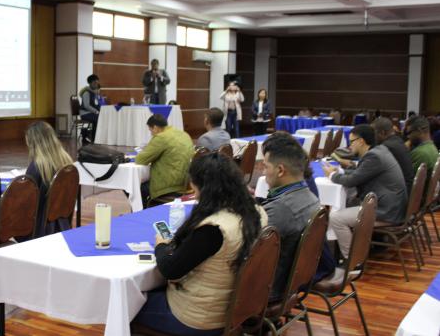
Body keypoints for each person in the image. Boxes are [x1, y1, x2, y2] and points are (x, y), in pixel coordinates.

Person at [132, 153, 267, 335]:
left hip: (200, 318)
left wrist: (161, 245)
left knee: (127, 304)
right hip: (234, 310)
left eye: (193, 187)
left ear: (204, 188)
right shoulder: (256, 212)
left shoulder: (214, 229)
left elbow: (170, 269)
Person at [260, 133, 329, 300]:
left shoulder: (280, 209)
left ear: (280, 170)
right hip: (293, 283)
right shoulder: (312, 198)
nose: (263, 172)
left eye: (265, 166)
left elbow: (249, 254)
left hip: (269, 291)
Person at [323, 124, 407, 258]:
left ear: (361, 141)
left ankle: (352, 260)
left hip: (386, 211)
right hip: (392, 205)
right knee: (348, 202)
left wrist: (332, 175)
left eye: (351, 142)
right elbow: (361, 172)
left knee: (336, 218)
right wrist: (342, 171)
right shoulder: (380, 150)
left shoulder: (373, 157)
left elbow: (352, 181)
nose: (349, 146)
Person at [25, 121, 74, 237]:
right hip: (61, 224)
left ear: (33, 143)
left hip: (39, 230)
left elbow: (27, 205)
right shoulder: (67, 162)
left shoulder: (37, 167)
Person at [136, 114, 194, 207]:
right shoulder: (183, 134)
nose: (151, 134)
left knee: (137, 187)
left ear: (155, 127)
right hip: (185, 183)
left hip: (168, 186)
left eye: (150, 130)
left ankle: (142, 214)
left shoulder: (161, 137)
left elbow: (140, 159)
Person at [372, 117, 414, 194]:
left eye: (373, 133)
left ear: (382, 132)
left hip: (398, 195)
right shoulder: (398, 141)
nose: (372, 136)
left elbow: (370, 172)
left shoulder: (387, 147)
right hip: (405, 190)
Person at [406, 115, 439, 197]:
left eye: (410, 132)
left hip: (417, 202)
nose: (408, 136)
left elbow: (408, 183)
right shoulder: (433, 148)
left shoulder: (420, 153)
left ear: (420, 131)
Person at [78, 74, 104, 144]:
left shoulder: (95, 93)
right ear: (90, 83)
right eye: (94, 83)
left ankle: (95, 137)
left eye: (97, 82)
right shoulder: (86, 93)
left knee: (101, 117)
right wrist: (96, 111)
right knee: (98, 118)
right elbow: (86, 106)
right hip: (85, 113)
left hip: (91, 113)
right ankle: (92, 138)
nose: (96, 84)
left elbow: (96, 104)